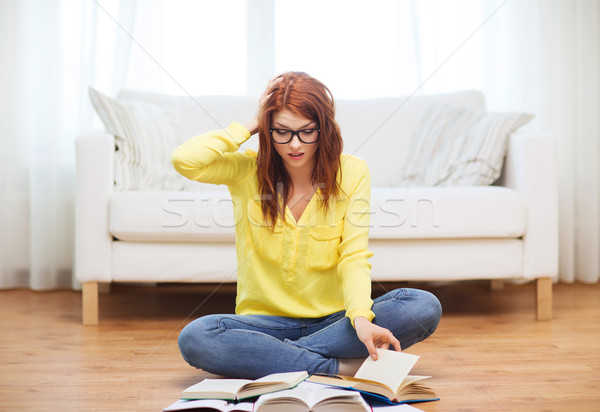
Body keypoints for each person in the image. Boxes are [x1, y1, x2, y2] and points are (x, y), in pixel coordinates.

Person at [172, 72, 441, 379]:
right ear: (268, 129)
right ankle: (336, 367)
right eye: (282, 132)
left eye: (306, 132)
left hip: (335, 321)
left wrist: (361, 319)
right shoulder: (246, 170)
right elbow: (185, 160)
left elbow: (353, 256)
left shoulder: (353, 172)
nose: (295, 144)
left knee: (422, 305)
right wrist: (254, 122)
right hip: (264, 322)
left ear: (323, 128)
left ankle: (273, 356)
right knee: (196, 337)